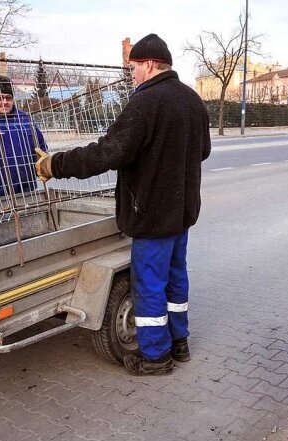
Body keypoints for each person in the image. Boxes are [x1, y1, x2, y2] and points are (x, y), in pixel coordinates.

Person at [34, 33, 211, 376]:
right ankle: (180, 342)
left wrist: (55, 165)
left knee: (149, 286)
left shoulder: (145, 103)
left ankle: (156, 357)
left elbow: (108, 152)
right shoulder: (192, 99)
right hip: (182, 213)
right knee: (176, 279)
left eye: (133, 68)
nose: (131, 74)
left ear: (148, 65)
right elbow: (202, 151)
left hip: (152, 215)